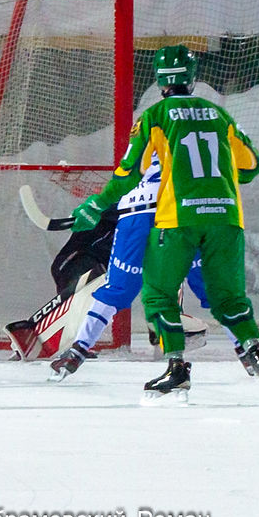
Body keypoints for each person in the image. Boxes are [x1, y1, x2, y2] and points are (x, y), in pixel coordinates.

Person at [73, 45, 259, 400]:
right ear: (192, 77)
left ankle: (176, 368)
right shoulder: (219, 114)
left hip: (178, 218)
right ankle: (256, 351)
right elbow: (251, 167)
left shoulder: (155, 115)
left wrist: (98, 203)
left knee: (157, 294)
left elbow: (129, 174)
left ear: (159, 80)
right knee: (228, 298)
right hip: (227, 218)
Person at [48, 157, 211, 379]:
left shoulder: (146, 156)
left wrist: (97, 205)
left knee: (124, 287)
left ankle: (79, 349)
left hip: (145, 222)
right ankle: (247, 347)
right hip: (165, 222)